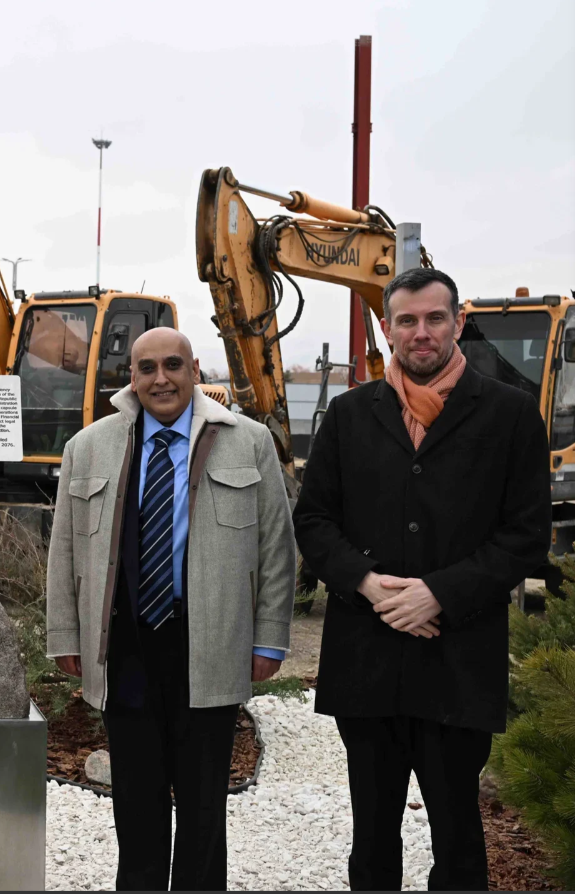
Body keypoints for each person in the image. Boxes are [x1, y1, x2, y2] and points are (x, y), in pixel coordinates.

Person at [293, 267, 551, 891]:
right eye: (406, 321)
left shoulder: (512, 415)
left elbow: (525, 535)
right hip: (367, 660)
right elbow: (314, 520)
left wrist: (439, 593)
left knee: (459, 842)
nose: (422, 332)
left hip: (458, 661)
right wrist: (367, 583)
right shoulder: (348, 415)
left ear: (458, 322)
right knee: (371, 840)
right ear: (387, 329)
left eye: (435, 318)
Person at [46, 327, 295, 890]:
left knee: (204, 804)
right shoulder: (89, 447)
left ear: (194, 370)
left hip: (211, 644)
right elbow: (65, 549)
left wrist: (268, 637)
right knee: (136, 801)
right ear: (131, 377)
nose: (161, 379)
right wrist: (65, 634)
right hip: (125, 649)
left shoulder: (249, 442)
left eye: (173, 366)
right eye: (148, 368)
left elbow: (276, 548)